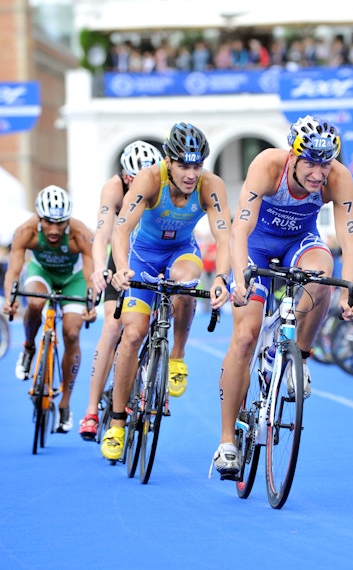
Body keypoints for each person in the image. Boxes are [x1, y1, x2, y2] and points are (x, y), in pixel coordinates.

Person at [210, 115, 353, 479]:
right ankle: (227, 441)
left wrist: (351, 289)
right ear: (292, 156)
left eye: (325, 164)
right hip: (256, 246)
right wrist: (240, 279)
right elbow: (240, 228)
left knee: (323, 275)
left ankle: (300, 357)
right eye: (310, 163)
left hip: (300, 242)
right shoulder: (268, 165)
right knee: (245, 337)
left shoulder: (339, 178)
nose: (318, 173)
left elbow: (350, 237)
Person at [101, 122, 232, 461]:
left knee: (186, 284)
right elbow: (121, 229)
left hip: (181, 252)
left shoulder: (210, 185)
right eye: (184, 165)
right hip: (142, 256)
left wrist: (221, 277)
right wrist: (122, 268)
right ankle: (117, 422)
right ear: (169, 162)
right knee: (133, 334)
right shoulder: (149, 179)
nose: (192, 174)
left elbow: (224, 236)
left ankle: (177, 356)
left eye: (197, 165)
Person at [78, 140, 163, 441]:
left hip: (153, 254)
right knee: (113, 327)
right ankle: (91, 409)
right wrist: (101, 268)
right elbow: (102, 234)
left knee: (161, 315)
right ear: (125, 177)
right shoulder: (113, 188)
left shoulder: (162, 182)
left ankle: (155, 378)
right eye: (134, 179)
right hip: (122, 256)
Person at [2, 185, 97, 433]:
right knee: (34, 302)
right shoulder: (25, 231)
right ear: (39, 218)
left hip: (73, 279)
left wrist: (90, 303)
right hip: (41, 273)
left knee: (72, 333)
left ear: (68, 220)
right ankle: (29, 347)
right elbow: (13, 271)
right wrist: (11, 298)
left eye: (60, 223)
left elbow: (90, 275)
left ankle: (65, 404)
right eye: (48, 222)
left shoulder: (80, 234)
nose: (54, 230)